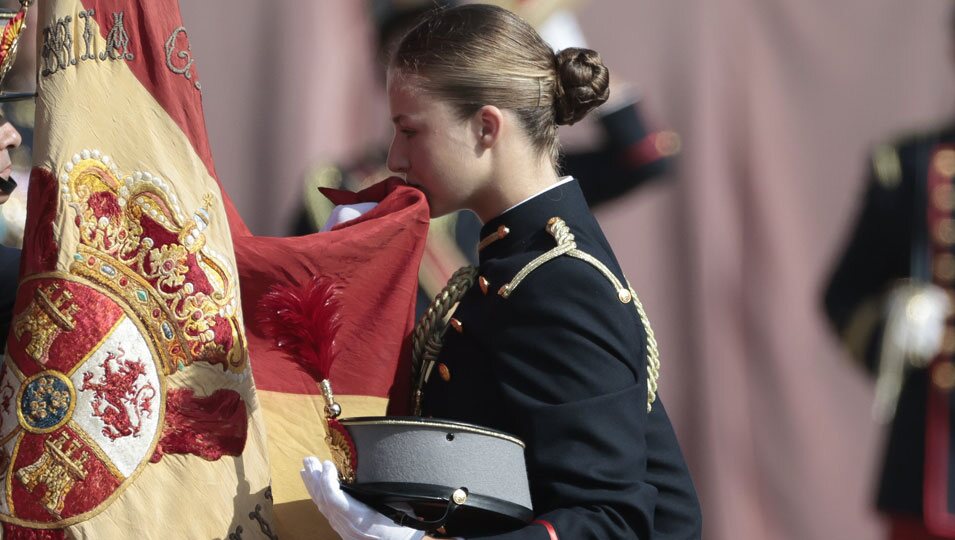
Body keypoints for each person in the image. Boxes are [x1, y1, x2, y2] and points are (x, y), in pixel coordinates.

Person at [301, 4, 702, 539]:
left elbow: (611, 522)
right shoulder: (514, 266)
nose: (395, 157)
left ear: (486, 127)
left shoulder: (560, 283)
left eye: (411, 130)